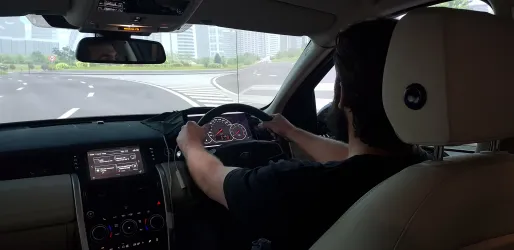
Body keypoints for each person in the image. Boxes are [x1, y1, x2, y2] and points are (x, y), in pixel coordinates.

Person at [176, 19, 432, 250]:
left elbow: (212, 179)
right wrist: (291, 132)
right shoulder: (432, 169)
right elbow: (357, 160)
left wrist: (191, 145)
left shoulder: (296, 186)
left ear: (343, 95)